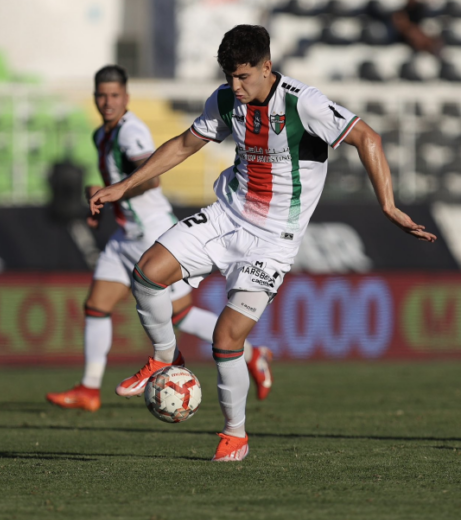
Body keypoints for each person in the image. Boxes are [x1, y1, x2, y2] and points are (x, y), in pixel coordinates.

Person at [89, 26, 436, 461]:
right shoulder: (223, 100)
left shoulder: (301, 102)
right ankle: (164, 357)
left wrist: (388, 205)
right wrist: (125, 185)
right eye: (229, 77)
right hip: (226, 216)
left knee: (226, 338)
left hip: (273, 240)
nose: (235, 86)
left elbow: (368, 137)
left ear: (266, 67)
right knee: (146, 274)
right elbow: (183, 144)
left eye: (243, 77)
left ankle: (235, 434)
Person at [46, 65, 273, 412]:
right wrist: (104, 203)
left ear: (127, 98)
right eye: (102, 95)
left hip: (150, 231)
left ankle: (253, 352)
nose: (107, 102)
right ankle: (89, 388)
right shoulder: (100, 134)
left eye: (114, 96)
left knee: (180, 314)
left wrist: (110, 192)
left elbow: (150, 180)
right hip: (126, 234)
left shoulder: (130, 131)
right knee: (96, 305)